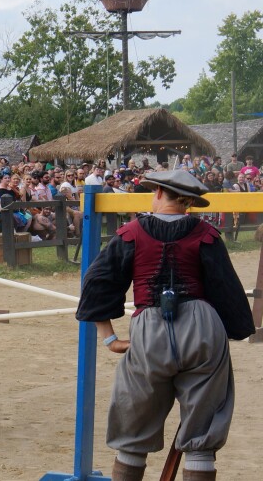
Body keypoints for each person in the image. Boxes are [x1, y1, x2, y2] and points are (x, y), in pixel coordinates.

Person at [76, 170, 255, 481]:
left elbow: (96, 284)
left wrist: (110, 339)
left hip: (149, 331)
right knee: (202, 437)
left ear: (158, 193)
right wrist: (230, 331)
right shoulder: (207, 235)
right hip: (202, 330)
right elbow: (227, 289)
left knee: (133, 428)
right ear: (189, 203)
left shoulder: (130, 233)